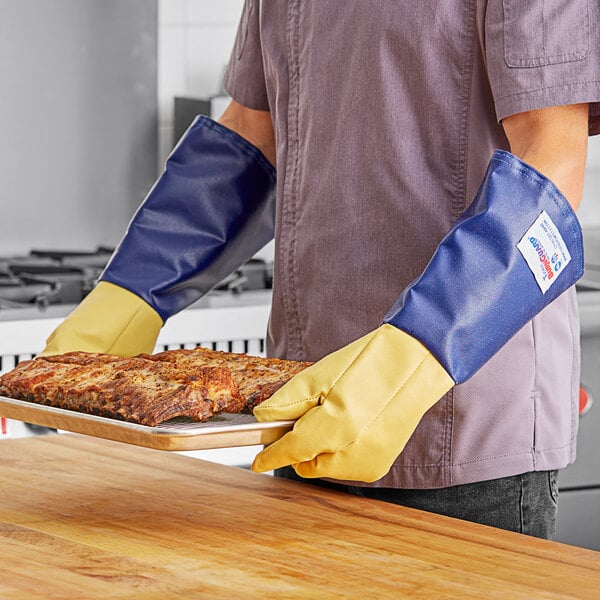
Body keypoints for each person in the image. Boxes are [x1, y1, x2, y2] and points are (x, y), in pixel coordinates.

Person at [43, 2, 600, 539]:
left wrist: (414, 358)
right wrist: (130, 292)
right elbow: (252, 132)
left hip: (465, 431)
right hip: (303, 413)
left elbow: (552, 161)